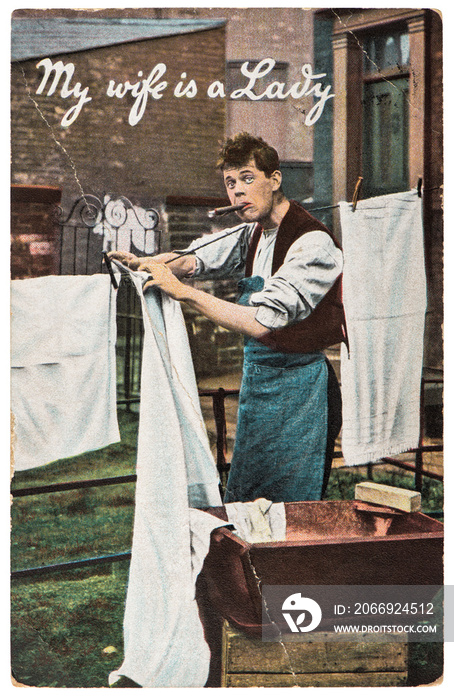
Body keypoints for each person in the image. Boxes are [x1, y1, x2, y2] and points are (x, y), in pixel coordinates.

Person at [109, 132, 346, 503]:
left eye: (248, 179)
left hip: (302, 391)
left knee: (292, 505)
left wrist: (184, 292)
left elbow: (262, 322)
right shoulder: (252, 232)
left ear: (275, 179)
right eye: (231, 183)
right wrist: (147, 263)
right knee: (251, 498)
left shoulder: (312, 244)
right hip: (260, 384)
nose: (237, 192)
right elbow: (193, 259)